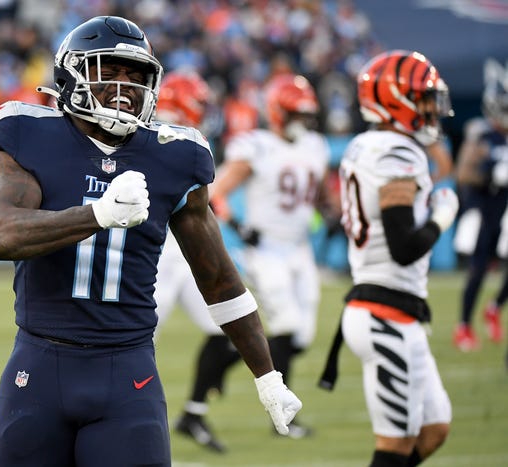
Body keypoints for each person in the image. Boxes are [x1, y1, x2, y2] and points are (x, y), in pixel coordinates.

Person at [0, 16, 302, 467]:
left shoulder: (175, 154)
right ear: (71, 75)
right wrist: (99, 215)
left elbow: (220, 280)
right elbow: (2, 234)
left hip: (127, 372)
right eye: (108, 72)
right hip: (38, 366)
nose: (124, 86)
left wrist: (267, 375)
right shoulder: (30, 135)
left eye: (135, 76)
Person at [319, 50, 458, 467]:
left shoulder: (367, 145)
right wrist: (442, 217)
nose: (432, 109)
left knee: (434, 430)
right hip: (385, 313)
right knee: (394, 447)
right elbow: (404, 248)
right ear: (398, 99)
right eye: (425, 99)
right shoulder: (398, 151)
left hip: (391, 309)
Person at [209, 72, 332, 438]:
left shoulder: (315, 146)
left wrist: (331, 213)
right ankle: (282, 419)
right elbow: (215, 194)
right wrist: (240, 227)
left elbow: (319, 194)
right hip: (266, 252)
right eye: (295, 113)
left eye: (305, 114)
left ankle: (225, 360)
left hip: (299, 249)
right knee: (289, 327)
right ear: (278, 112)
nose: (302, 122)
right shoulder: (257, 146)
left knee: (302, 336)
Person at [152, 70, 241, 453]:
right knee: (129, 341)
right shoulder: (158, 135)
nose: (204, 111)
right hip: (155, 254)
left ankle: (194, 413)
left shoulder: (188, 139)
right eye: (198, 103)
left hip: (185, 252)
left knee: (229, 329)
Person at [453, 57, 508, 351]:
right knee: (478, 270)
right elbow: (463, 173)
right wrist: (489, 172)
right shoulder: (480, 132)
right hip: (483, 211)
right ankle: (463, 325)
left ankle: (495, 308)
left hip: (505, 214)